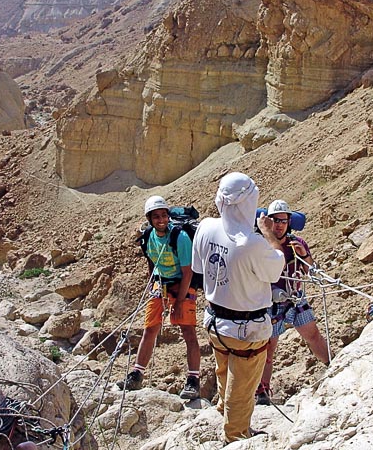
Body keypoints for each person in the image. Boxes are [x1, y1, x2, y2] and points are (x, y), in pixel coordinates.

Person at [191, 172, 285, 443]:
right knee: (243, 388)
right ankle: (236, 435)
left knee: (224, 370)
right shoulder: (254, 244)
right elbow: (276, 268)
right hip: (248, 329)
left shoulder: (206, 227)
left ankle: (225, 410)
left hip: (215, 322)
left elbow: (199, 269)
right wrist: (268, 234)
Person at [116, 195, 201, 399]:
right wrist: (152, 285)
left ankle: (193, 381)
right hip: (161, 283)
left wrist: (179, 302)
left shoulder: (179, 237)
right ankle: (137, 374)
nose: (161, 219)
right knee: (150, 329)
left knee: (188, 331)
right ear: (149, 219)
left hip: (183, 284)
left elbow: (188, 271)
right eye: (156, 216)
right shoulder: (147, 237)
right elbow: (151, 262)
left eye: (164, 215)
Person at [255, 199, 330, 405]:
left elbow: (310, 271)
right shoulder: (261, 244)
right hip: (271, 303)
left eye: (283, 220)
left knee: (313, 335)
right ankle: (262, 390)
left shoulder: (297, 244)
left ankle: (331, 366)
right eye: (275, 220)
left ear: (289, 222)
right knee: (269, 348)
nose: (279, 224)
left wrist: (304, 255)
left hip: (295, 298)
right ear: (268, 222)